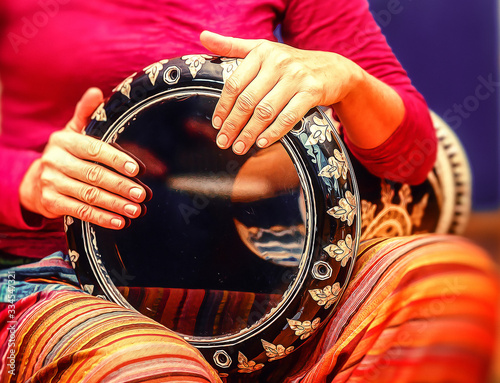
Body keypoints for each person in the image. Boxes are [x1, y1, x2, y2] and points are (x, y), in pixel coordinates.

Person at [0, 0, 497, 382]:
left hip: (268, 277)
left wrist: (346, 80)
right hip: (60, 270)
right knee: (149, 366)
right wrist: (25, 178)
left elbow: (412, 157)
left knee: (447, 280)